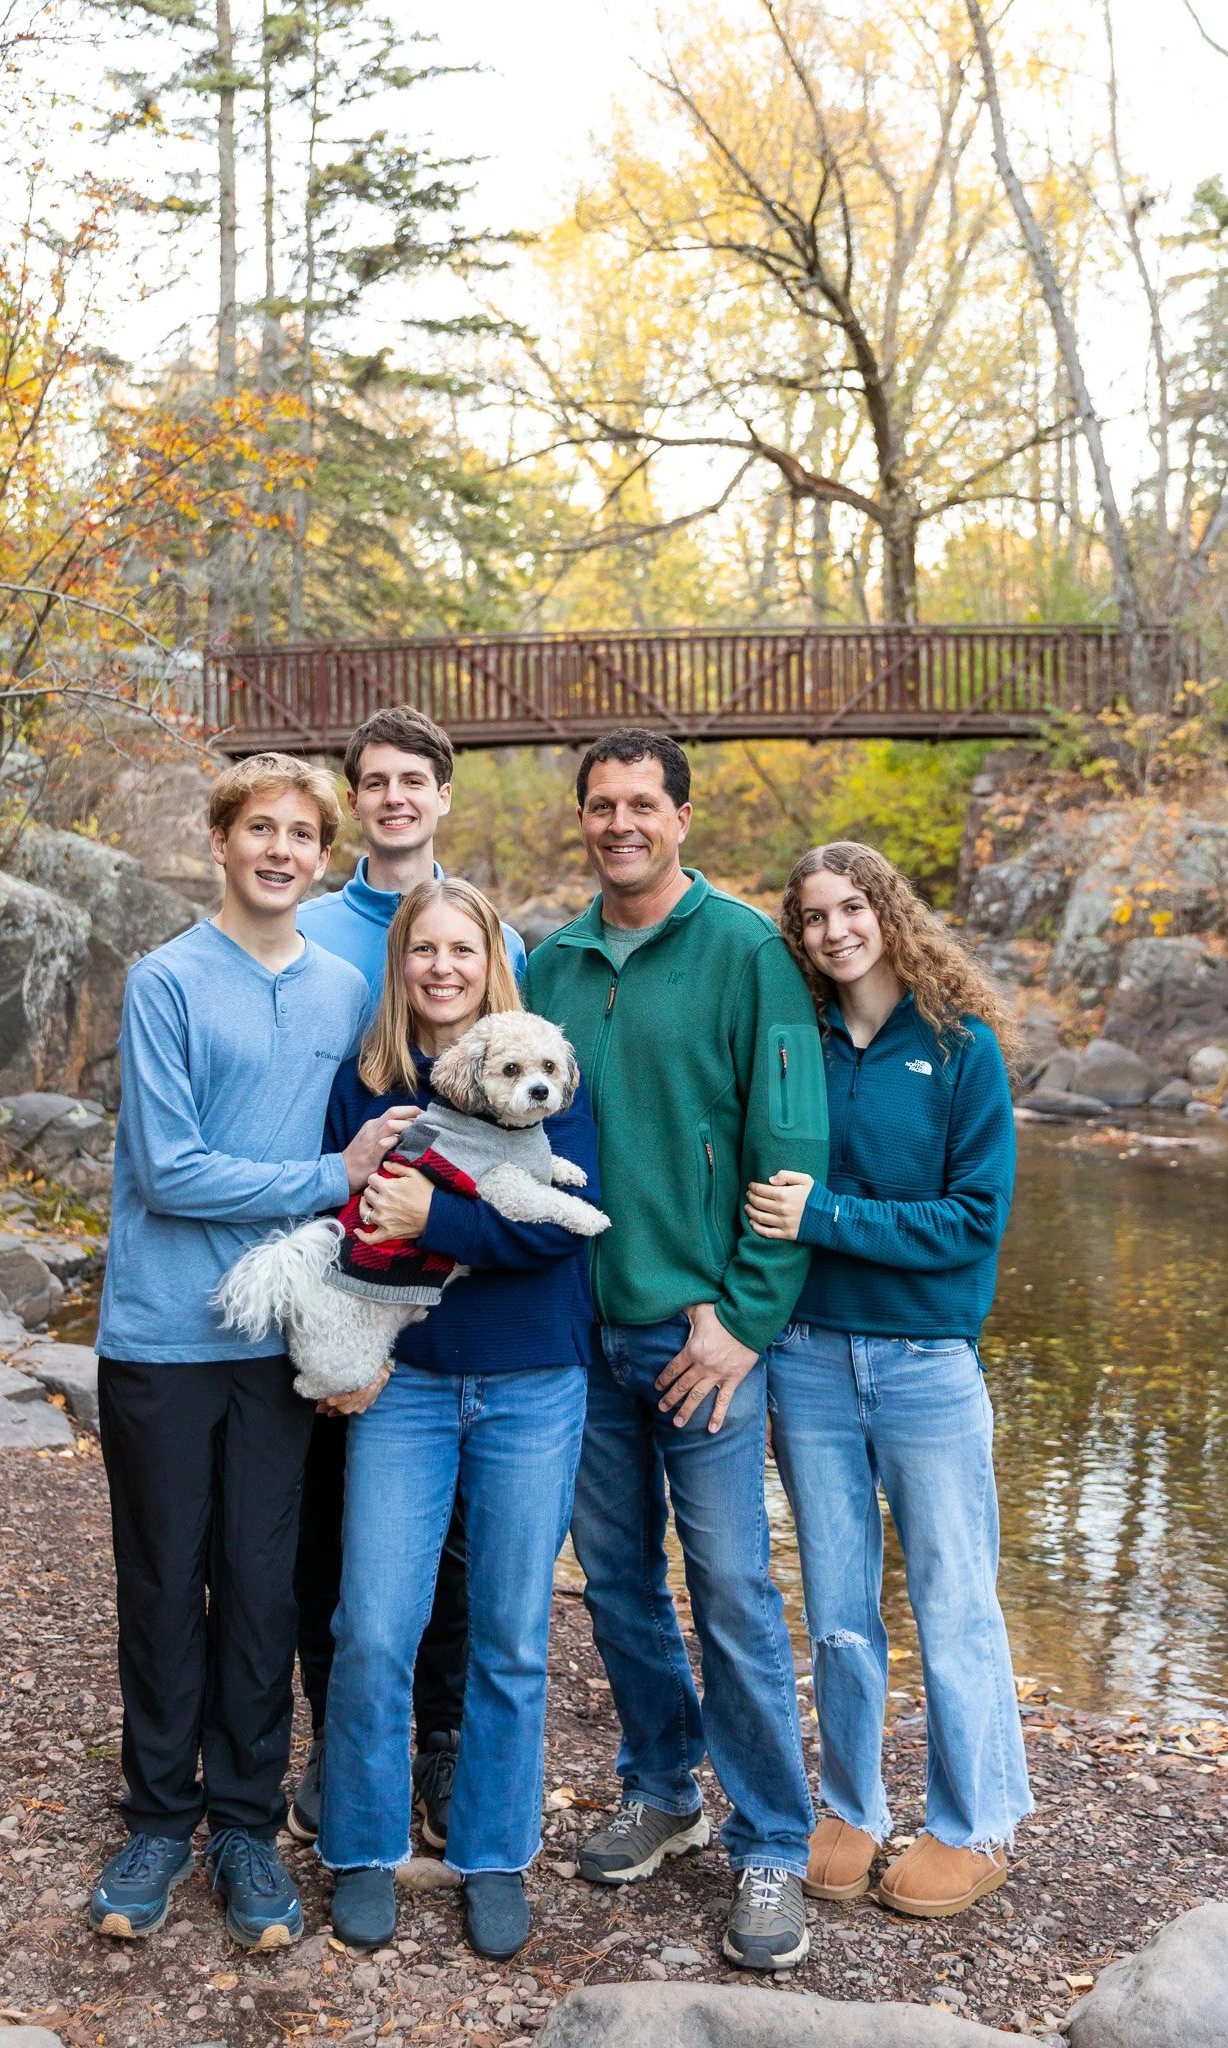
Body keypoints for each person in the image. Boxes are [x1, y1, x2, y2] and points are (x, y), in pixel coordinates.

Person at [89, 753, 416, 1951]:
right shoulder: (165, 981)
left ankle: (244, 1822)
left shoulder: (344, 991)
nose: (281, 850)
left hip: (285, 1339)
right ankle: (158, 1819)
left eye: (301, 834)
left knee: (266, 1588)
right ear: (221, 841)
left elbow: (399, 1134)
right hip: (165, 1337)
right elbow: (170, 1171)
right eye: (259, 828)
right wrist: (326, 1178)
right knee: (167, 1583)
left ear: (322, 856)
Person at [522, 729, 829, 1974]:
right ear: (584, 819)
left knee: (736, 1589)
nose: (620, 822)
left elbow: (790, 1144)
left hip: (695, 1332)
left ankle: (772, 1834)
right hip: (575, 1333)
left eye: (643, 802)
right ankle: (662, 1784)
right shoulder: (550, 960)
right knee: (618, 1582)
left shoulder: (748, 951)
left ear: (682, 816)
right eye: (601, 805)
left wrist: (743, 1315)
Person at [316, 877, 600, 1962]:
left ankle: (492, 1853)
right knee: (374, 1627)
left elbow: (567, 1229)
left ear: (493, 960)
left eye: (462, 949)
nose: (442, 967)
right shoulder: (372, 1082)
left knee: (511, 1635)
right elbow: (350, 1221)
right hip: (411, 1383)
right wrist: (354, 1345)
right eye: (423, 949)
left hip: (534, 1376)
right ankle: (361, 1843)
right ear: (402, 964)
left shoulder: (542, 1059)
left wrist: (442, 1214)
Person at [747, 840, 1032, 1917]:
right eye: (813, 914)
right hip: (808, 1356)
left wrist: (824, 1216)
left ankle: (975, 1821)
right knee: (835, 1602)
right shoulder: (797, 1044)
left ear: (888, 913)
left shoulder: (961, 1048)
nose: (834, 929)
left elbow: (971, 1223)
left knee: (955, 1596)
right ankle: (851, 1805)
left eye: (851, 906)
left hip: (924, 1364)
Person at [288, 707, 525, 1850]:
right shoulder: (318, 930)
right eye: (373, 780)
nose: (393, 797)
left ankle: (439, 1743)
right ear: (357, 799)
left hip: (463, 1296)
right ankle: (343, 1736)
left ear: (441, 797)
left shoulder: (489, 932)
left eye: (413, 780)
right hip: (344, 1268)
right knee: (332, 1528)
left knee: (461, 1541)